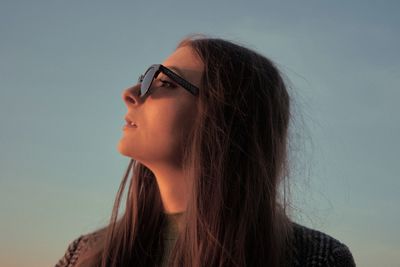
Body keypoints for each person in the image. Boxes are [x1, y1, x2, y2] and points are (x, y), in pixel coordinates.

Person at [55, 36, 356, 267]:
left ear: (226, 117)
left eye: (165, 83)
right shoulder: (83, 255)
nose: (131, 93)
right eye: (145, 78)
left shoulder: (318, 259)